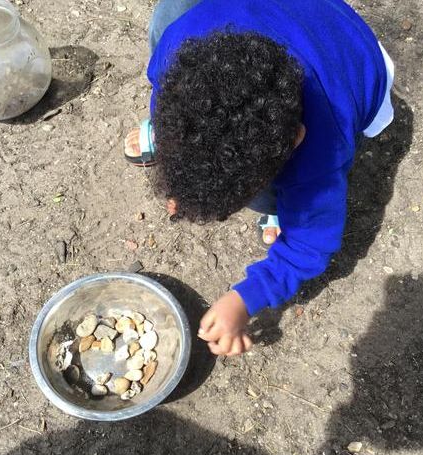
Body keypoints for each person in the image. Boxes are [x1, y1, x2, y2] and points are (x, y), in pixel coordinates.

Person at [124, 0, 394, 356]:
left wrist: (246, 298)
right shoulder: (178, 44)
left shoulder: (321, 146)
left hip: (351, 49)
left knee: (271, 191)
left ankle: (275, 209)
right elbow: (162, 84)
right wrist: (174, 140)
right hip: (279, 14)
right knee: (170, 12)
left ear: (296, 138)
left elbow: (310, 244)